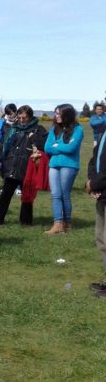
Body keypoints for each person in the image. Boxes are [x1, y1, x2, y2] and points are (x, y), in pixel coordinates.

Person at [0, 105, 48, 226]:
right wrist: (3, 160)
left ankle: (26, 221)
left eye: (25, 118)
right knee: (5, 195)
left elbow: (44, 146)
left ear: (30, 117)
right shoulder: (14, 129)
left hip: (28, 167)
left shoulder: (39, 130)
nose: (22, 120)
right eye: (20, 117)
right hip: (12, 165)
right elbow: (6, 146)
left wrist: (34, 137)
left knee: (27, 195)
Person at [44, 103, 83, 235]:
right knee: (55, 194)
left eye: (59, 113)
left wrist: (57, 145)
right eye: (55, 113)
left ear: (67, 114)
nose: (56, 116)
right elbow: (47, 148)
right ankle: (58, 223)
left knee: (64, 195)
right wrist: (60, 146)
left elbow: (71, 149)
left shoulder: (78, 129)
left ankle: (67, 223)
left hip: (69, 165)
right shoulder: (54, 128)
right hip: (54, 165)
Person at [87, 128, 106, 298]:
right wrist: (91, 182)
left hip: (102, 189)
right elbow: (94, 160)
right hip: (102, 193)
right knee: (101, 239)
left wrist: (95, 185)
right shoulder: (103, 133)